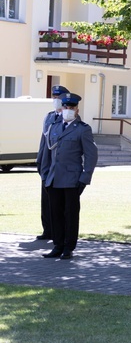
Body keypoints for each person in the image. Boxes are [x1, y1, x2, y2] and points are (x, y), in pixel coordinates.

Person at [39, 93, 98, 260]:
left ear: (77, 110)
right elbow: (47, 153)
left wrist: (84, 178)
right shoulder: (54, 127)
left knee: (70, 215)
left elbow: (91, 155)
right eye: (66, 107)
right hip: (53, 178)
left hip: (72, 180)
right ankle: (57, 245)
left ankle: (68, 247)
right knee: (55, 214)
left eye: (71, 108)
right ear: (62, 108)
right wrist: (44, 174)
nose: (68, 110)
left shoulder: (82, 129)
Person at [36, 84, 69, 241]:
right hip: (47, 165)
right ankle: (47, 230)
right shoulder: (49, 117)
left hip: (60, 167)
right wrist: (40, 162)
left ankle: (59, 233)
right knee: (45, 200)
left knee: (60, 203)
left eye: (58, 98)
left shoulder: (68, 119)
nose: (55, 100)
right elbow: (44, 142)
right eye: (54, 97)